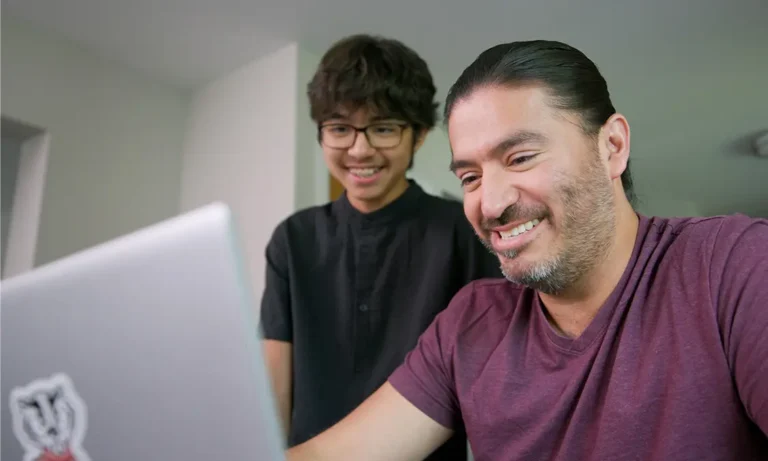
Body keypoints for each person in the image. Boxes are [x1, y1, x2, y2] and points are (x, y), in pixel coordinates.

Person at [285, 40, 768, 461]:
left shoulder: (732, 264)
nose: (490, 204)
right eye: (470, 177)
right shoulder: (469, 325)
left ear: (612, 146)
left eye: (520, 157)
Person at [259, 34, 501, 460]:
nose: (360, 149)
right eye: (339, 128)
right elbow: (273, 388)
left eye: (383, 128)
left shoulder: (463, 233)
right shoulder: (292, 240)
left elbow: (491, 380)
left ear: (420, 134)